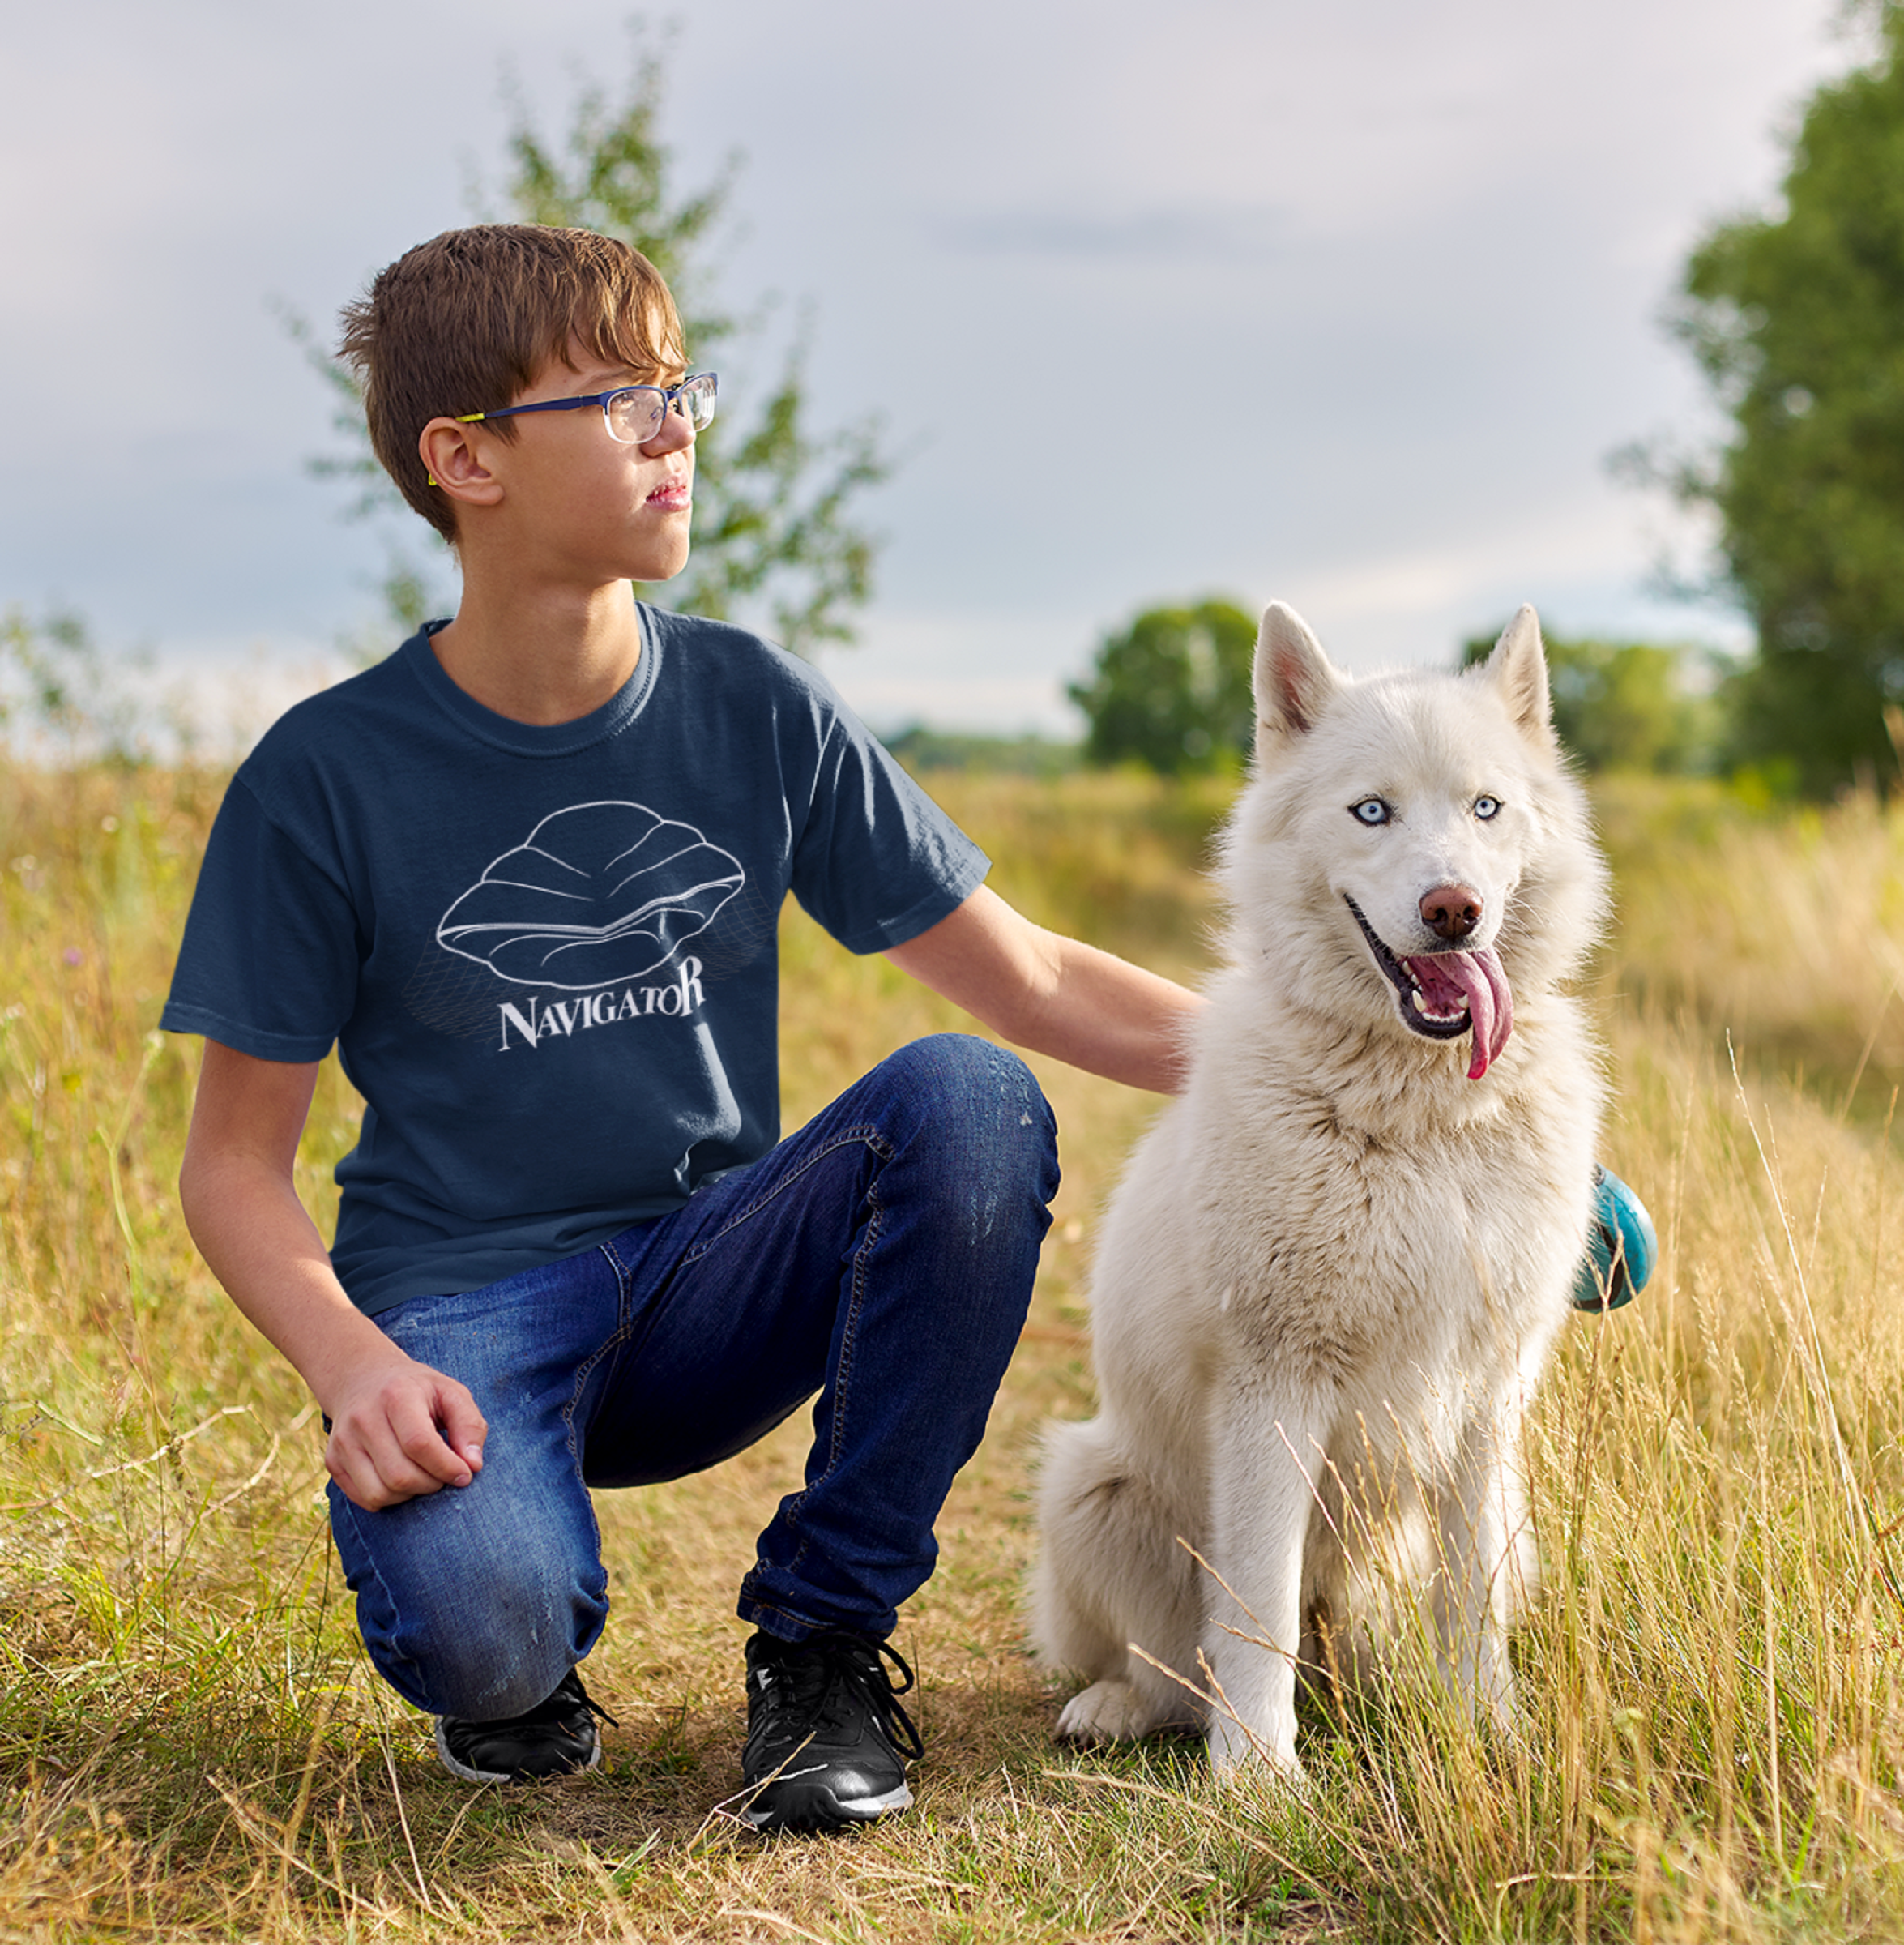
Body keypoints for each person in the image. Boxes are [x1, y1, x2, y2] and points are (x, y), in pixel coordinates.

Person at [163, 223, 1202, 1834]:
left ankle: (822, 1647)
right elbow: (234, 1170)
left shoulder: (750, 706)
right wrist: (354, 1367)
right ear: (466, 460)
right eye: (618, 394)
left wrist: (1386, 1080)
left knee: (968, 1099)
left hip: (711, 1278)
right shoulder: (323, 775)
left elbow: (1041, 982)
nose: (677, 426)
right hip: (461, 1320)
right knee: (489, 1638)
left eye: (681, 385)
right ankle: (513, 1655)